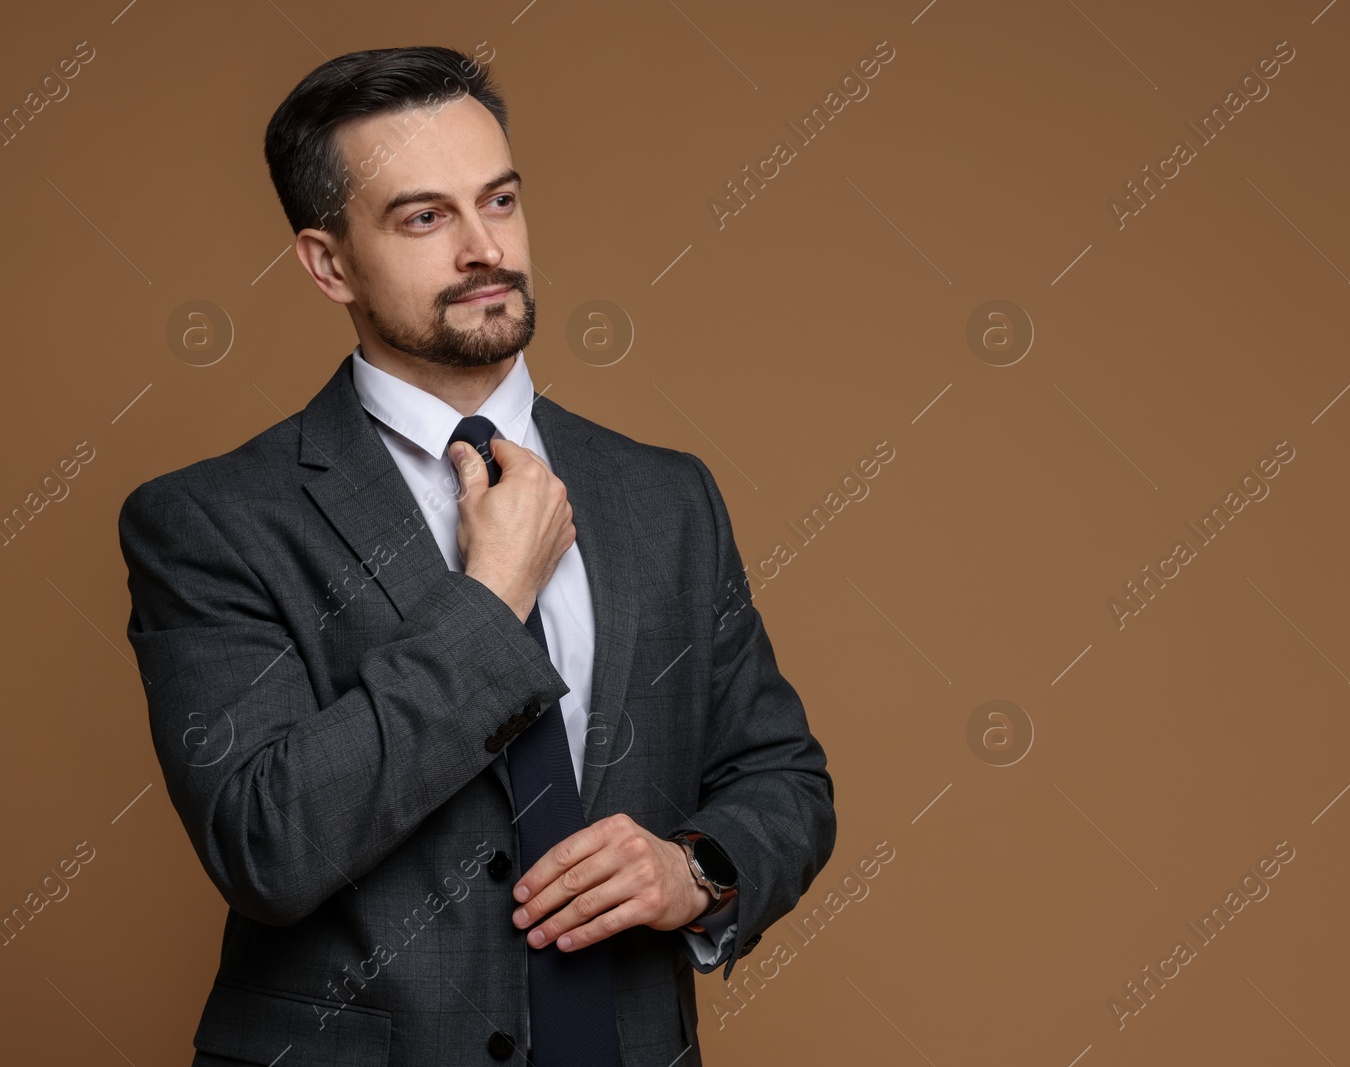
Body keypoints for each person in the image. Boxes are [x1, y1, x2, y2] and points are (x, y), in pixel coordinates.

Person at [117, 44, 835, 1067]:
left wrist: (698, 867)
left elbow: (781, 774)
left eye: (498, 201)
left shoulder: (666, 495)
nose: (482, 248)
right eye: (424, 217)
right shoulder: (208, 520)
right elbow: (266, 842)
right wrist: (492, 597)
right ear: (329, 263)